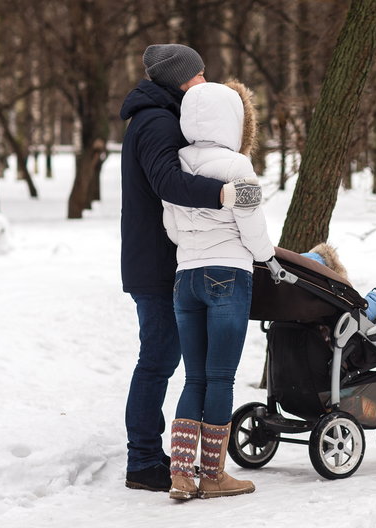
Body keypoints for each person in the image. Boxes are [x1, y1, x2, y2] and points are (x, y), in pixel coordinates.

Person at [119, 44, 253, 492]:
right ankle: (142, 461)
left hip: (165, 258)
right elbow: (167, 183)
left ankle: (156, 457)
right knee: (157, 361)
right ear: (181, 79)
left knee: (162, 360)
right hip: (159, 262)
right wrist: (224, 195)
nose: (204, 83)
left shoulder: (158, 117)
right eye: (199, 75)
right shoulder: (157, 121)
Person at [163, 81, 276, 500]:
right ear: (233, 119)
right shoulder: (237, 167)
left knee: (193, 378)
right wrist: (267, 257)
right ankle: (212, 475)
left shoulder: (175, 165)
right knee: (220, 379)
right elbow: (253, 228)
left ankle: (180, 476)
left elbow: (171, 228)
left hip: (185, 278)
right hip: (228, 275)